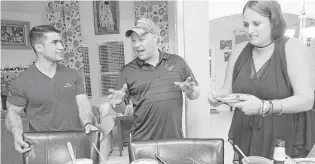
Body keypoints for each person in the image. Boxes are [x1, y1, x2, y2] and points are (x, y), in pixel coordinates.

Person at [208, 1, 315, 160]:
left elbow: (306, 100)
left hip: (284, 135)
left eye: (256, 24)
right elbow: (228, 89)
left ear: (274, 22)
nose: (249, 30)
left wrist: (264, 106)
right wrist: (218, 97)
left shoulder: (292, 48)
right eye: (246, 24)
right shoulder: (239, 51)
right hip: (247, 131)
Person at [6, 25, 97, 154]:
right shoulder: (21, 81)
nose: (61, 47)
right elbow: (13, 112)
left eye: (60, 41)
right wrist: (17, 133)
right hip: (42, 147)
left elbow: (82, 104)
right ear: (39, 48)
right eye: (55, 42)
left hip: (76, 140)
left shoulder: (73, 74)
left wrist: (88, 123)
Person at [108, 18, 200, 141]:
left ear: (155, 38)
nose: (136, 45)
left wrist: (191, 91)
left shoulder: (177, 62)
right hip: (142, 143)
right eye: (133, 41)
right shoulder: (127, 71)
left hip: (174, 140)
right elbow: (120, 109)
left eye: (141, 39)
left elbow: (195, 94)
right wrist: (118, 103)